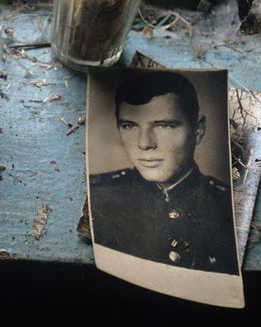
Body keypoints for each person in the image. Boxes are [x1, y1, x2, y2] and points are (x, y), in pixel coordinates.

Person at [89, 69, 239, 275]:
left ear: (198, 130)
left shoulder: (229, 205)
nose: (144, 144)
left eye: (164, 126)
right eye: (129, 126)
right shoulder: (99, 193)